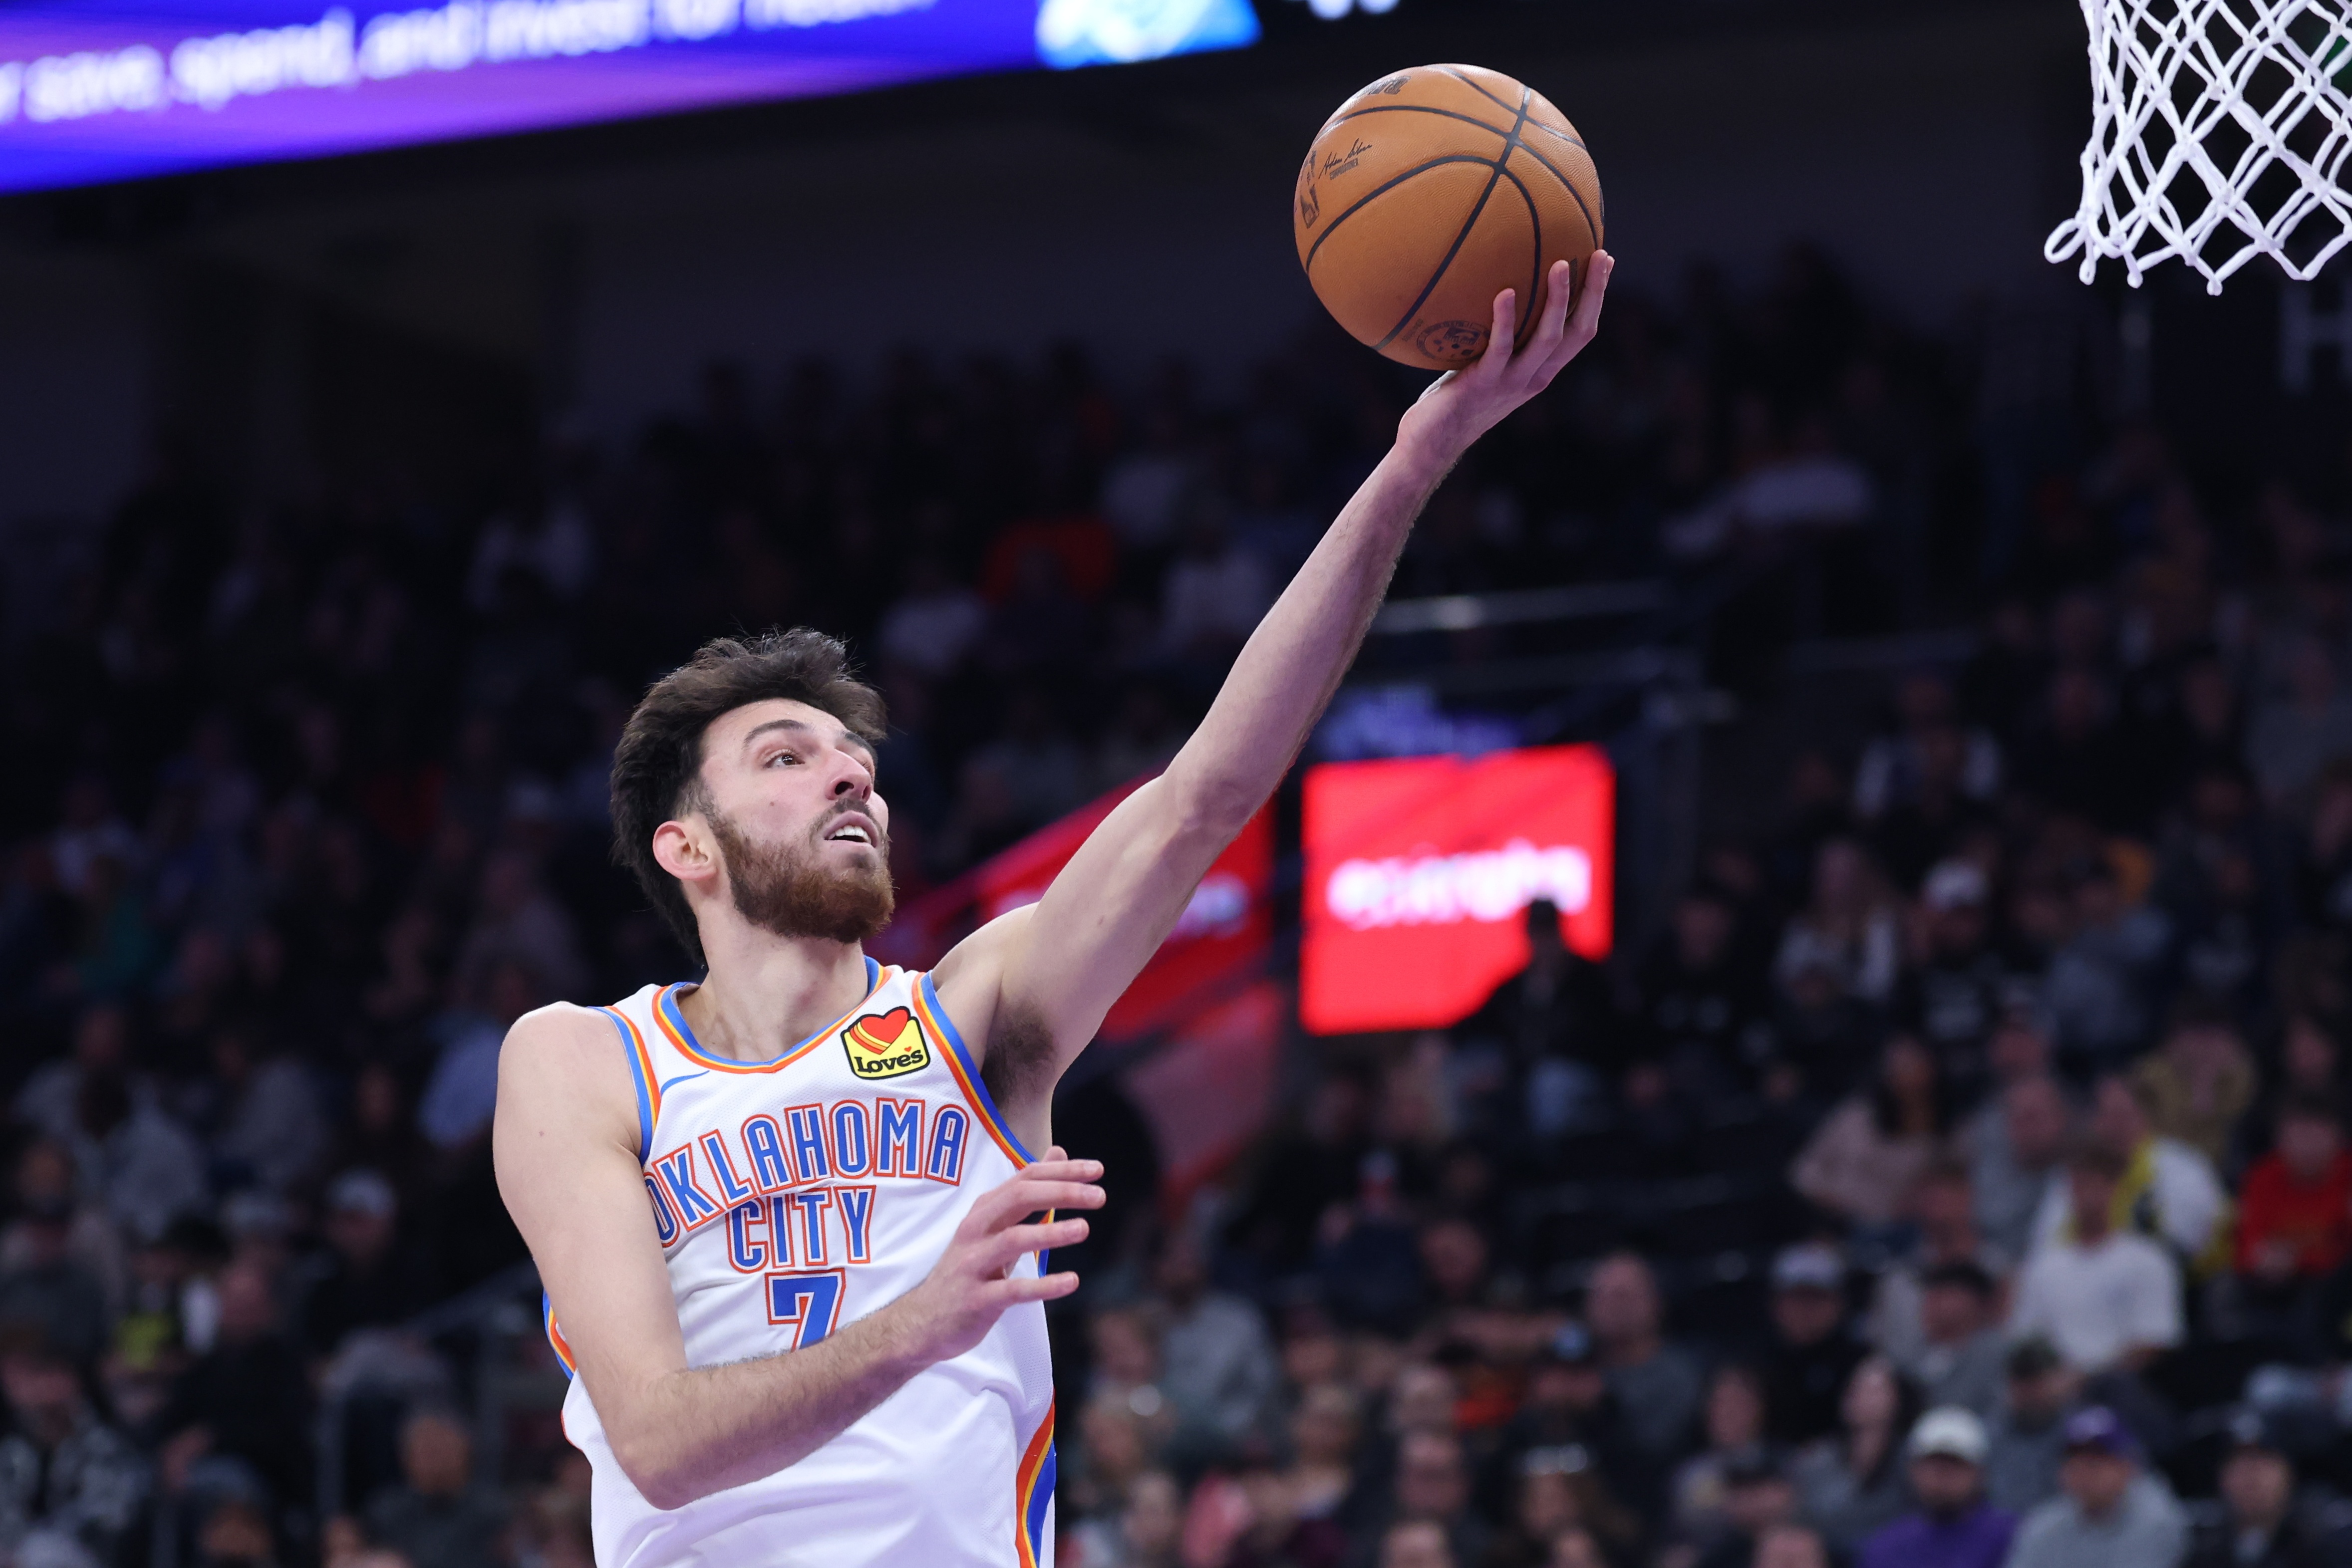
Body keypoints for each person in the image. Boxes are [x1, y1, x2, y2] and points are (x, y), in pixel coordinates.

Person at [491, 255, 1617, 1567]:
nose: (852, 775)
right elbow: (658, 1438)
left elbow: (1204, 794)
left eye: (856, 757)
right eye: (786, 757)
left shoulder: (976, 1014)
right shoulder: (584, 1059)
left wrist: (1412, 468)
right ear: (685, 844)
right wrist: (919, 1321)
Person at [2009, 1144, 2185, 1374]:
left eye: (2096, 1183)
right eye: (2079, 1183)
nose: (2087, 1194)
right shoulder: (2043, 1267)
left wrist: (2085, 1378)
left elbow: (2154, 1343)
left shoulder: (2148, 1259)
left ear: (2114, 1188)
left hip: (2123, 1385)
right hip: (2058, 1386)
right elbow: (2025, 1341)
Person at [2006, 1405, 2187, 1568]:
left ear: (2127, 1466)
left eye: (2095, 1462)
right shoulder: (2043, 1525)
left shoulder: (2157, 1520)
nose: (2083, 1472)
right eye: (2074, 1462)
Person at [1853, 1407, 2016, 1568]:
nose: (1943, 1476)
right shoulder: (1886, 1547)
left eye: (1955, 1465)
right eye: (1933, 1465)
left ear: (1980, 1473)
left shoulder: (2011, 1538)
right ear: (1913, 1471)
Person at [2185, 1409, 2346, 1568]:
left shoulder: (2319, 1542)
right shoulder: (2203, 1546)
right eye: (2239, 1462)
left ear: (2289, 1471)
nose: (2251, 1476)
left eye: (2263, 1461)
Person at [360, 1408, 507, 1568]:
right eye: (425, 1450)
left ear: (466, 1451)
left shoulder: (494, 1515)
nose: (434, 1459)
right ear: (405, 1457)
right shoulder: (385, 1514)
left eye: (441, 1448)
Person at [1761, 1244, 1866, 1447]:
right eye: (1796, 1297)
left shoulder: (1860, 1365)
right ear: (1776, 1304)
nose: (1805, 1310)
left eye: (1815, 1298)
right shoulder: (1758, 1366)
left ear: (1839, 1303)